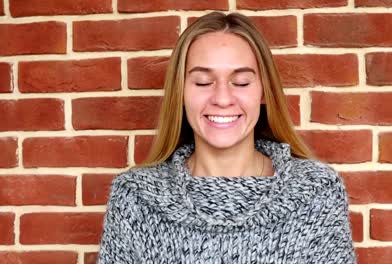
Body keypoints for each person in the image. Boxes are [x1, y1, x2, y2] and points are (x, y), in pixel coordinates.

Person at [98, 11, 356, 263]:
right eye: (202, 82)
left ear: (264, 92)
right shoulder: (136, 198)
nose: (222, 99)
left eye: (241, 82)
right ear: (181, 93)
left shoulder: (316, 193)